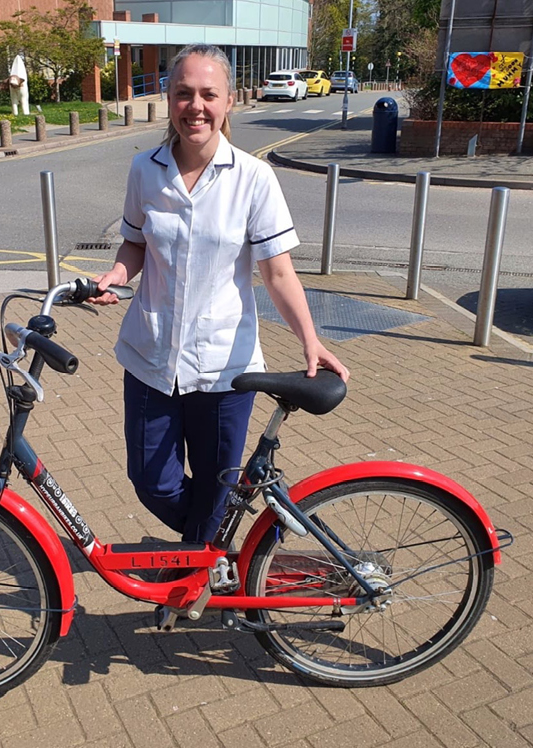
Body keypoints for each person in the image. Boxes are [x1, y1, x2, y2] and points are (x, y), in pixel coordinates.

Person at [87, 44, 347, 559]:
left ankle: (200, 572)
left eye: (209, 94)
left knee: (216, 485)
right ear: (169, 98)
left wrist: (310, 342)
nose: (195, 106)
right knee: (152, 481)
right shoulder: (145, 169)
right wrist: (118, 273)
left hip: (224, 367)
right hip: (150, 357)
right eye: (184, 93)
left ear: (230, 102)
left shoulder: (253, 178)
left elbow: (277, 271)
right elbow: (135, 241)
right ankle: (220, 553)